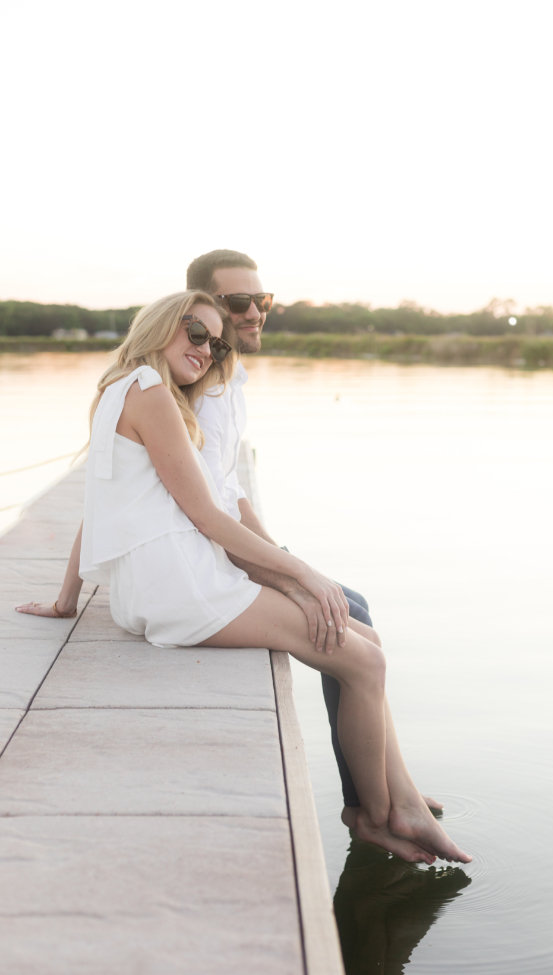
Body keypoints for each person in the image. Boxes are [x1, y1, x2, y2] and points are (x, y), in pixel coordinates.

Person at [16, 248, 443, 824]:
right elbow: (209, 516)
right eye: (196, 332)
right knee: (363, 659)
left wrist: (68, 599)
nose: (207, 349)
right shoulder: (152, 393)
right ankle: (379, 816)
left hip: (162, 584)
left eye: (215, 343)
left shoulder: (127, 387)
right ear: (163, 325)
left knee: (362, 642)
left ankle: (395, 803)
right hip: (182, 587)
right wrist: (302, 573)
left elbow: (103, 500)